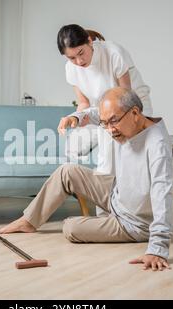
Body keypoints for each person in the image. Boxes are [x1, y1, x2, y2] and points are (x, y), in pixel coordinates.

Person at [0, 87, 173, 271]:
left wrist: (158, 248)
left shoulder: (158, 146)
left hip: (134, 222)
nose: (110, 130)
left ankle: (118, 225)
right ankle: (29, 221)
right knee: (67, 171)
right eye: (105, 123)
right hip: (117, 192)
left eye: (113, 122)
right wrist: (77, 117)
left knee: (70, 228)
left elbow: (162, 195)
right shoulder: (124, 119)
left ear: (135, 113)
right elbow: (98, 115)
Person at [57, 24, 152, 215]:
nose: (78, 61)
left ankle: (138, 213)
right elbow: (83, 103)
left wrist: (114, 126)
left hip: (133, 105)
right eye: (71, 57)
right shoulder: (71, 69)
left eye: (81, 53)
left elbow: (127, 97)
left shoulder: (114, 53)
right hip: (104, 110)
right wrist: (75, 117)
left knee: (132, 156)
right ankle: (106, 214)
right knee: (106, 159)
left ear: (90, 42)